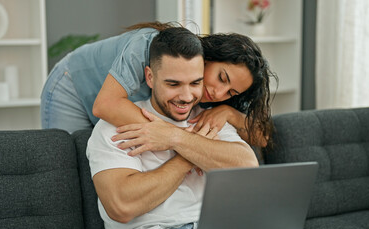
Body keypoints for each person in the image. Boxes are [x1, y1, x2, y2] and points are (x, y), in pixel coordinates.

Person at [86, 27, 258, 229]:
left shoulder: (207, 118)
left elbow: (248, 167)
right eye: (173, 84)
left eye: (195, 83)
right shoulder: (113, 125)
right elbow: (122, 206)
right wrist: (187, 157)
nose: (186, 96)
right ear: (149, 77)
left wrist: (176, 138)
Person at [40, 21, 276, 147]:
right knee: (70, 165)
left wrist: (229, 113)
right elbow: (106, 105)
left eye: (231, 92)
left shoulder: (219, 99)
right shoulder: (149, 45)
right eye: (222, 78)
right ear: (210, 56)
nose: (218, 92)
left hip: (120, 102)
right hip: (73, 86)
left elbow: (261, 138)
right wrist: (182, 139)